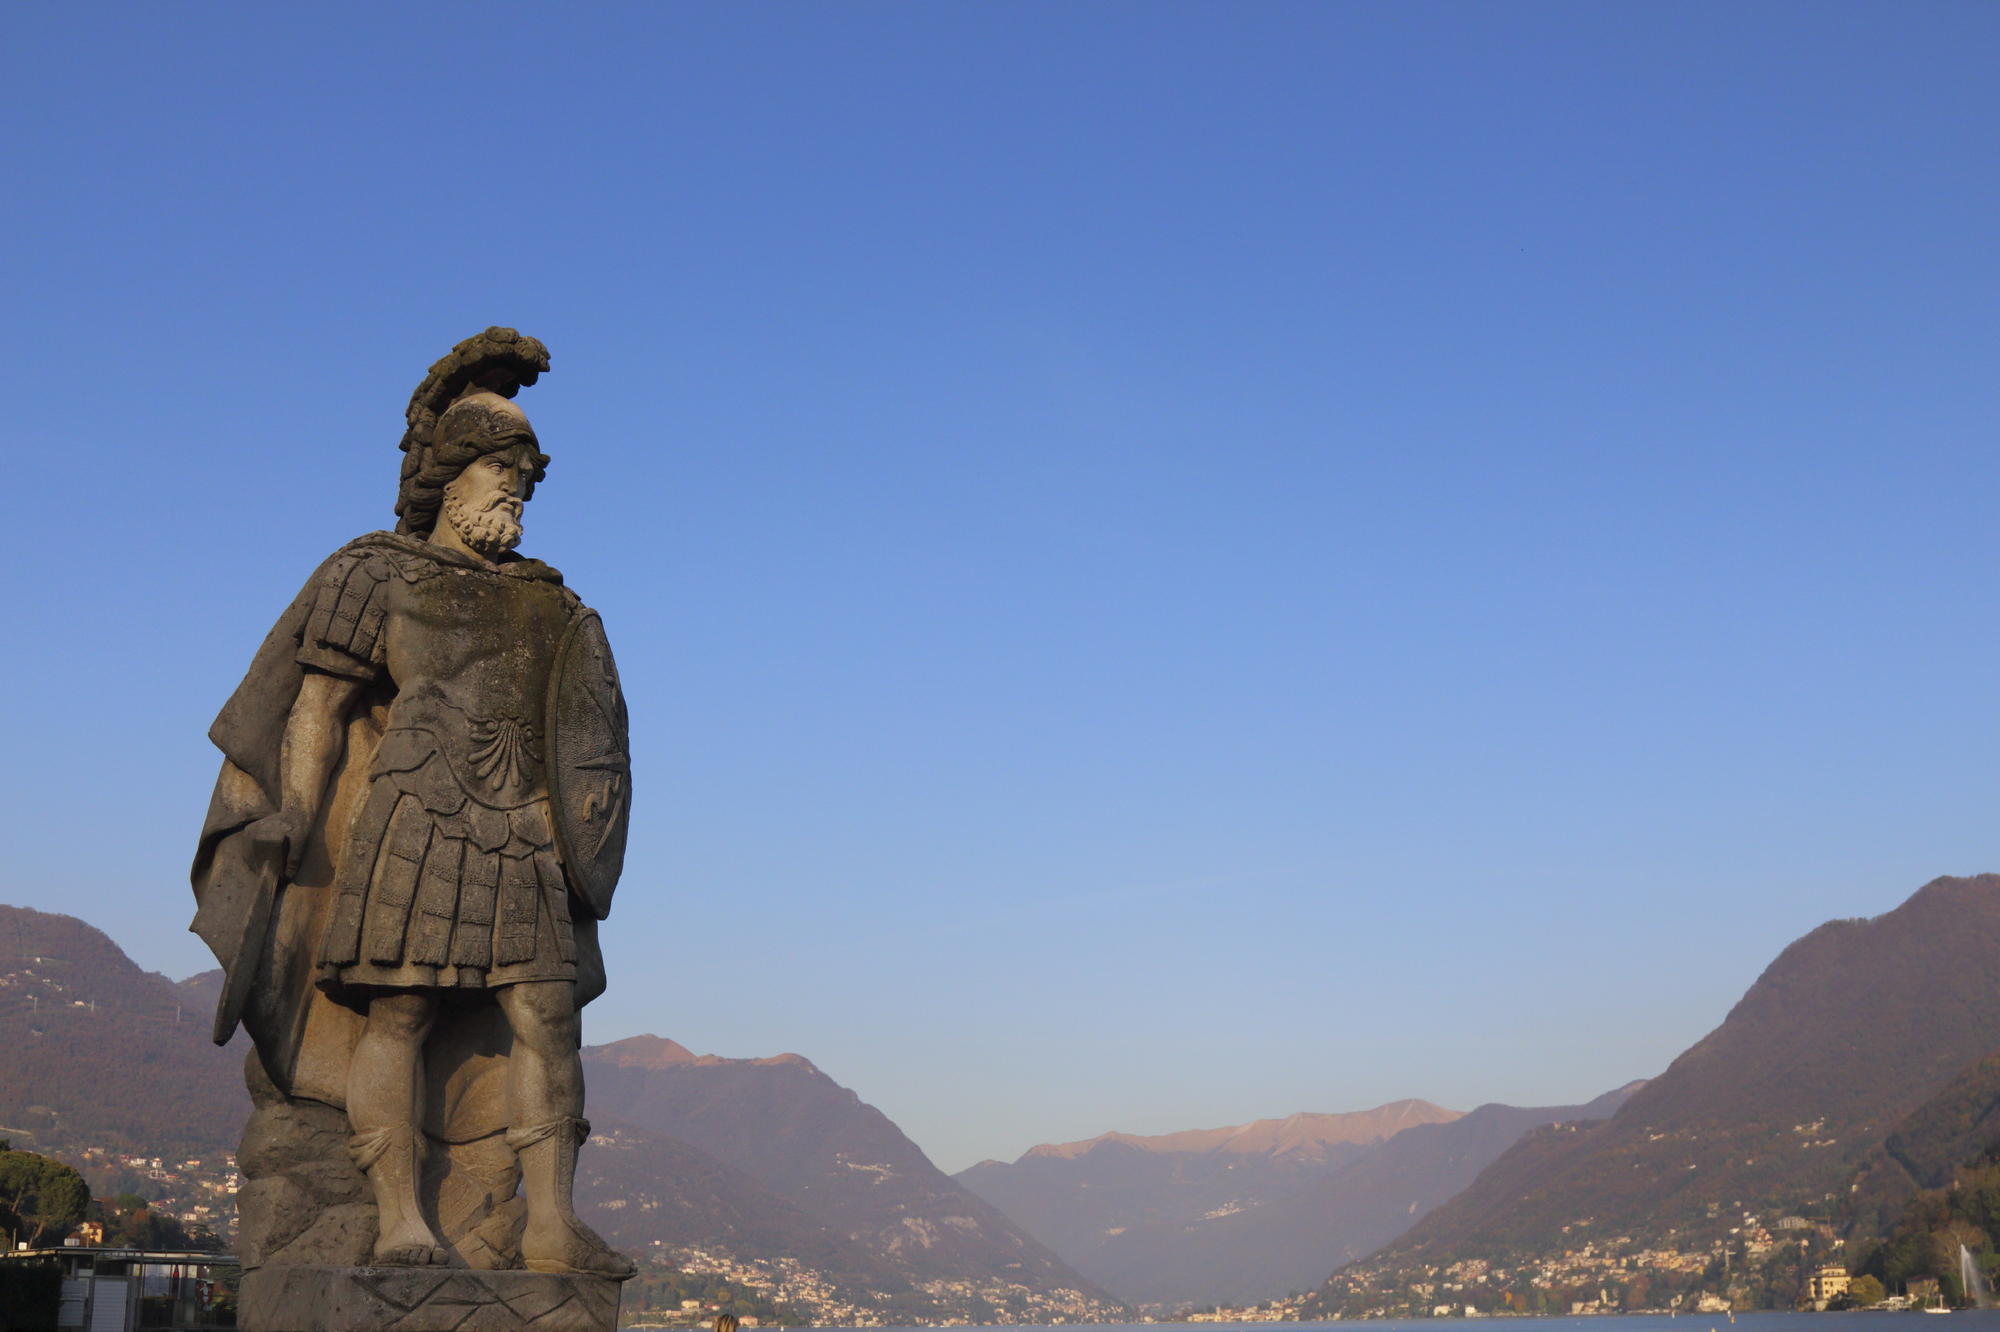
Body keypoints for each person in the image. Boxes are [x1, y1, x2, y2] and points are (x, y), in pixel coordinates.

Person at [192, 329, 634, 1278]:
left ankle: (550, 1222)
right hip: (415, 814)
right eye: (496, 469)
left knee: (549, 1014)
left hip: (527, 830)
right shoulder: (374, 571)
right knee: (399, 1013)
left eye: (525, 475)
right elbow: (319, 702)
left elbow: (585, 740)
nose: (513, 489)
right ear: (449, 476)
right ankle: (398, 1216)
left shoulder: (552, 605)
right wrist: (297, 815)